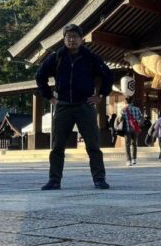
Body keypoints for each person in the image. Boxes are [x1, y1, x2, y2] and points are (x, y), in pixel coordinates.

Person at [36, 23, 113, 190]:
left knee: (93, 145)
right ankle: (54, 180)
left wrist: (100, 95)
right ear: (64, 39)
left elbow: (108, 75)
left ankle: (99, 178)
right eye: (68, 37)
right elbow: (40, 75)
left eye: (75, 36)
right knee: (57, 146)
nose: (72, 40)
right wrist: (49, 96)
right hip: (63, 105)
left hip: (85, 105)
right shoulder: (56, 57)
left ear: (82, 39)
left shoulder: (91, 58)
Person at [121, 96, 143, 166]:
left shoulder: (123, 110)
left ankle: (128, 160)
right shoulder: (137, 109)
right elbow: (141, 118)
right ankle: (134, 159)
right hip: (135, 129)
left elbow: (120, 119)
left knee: (127, 145)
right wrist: (138, 124)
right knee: (134, 144)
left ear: (125, 101)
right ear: (132, 101)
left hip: (127, 129)